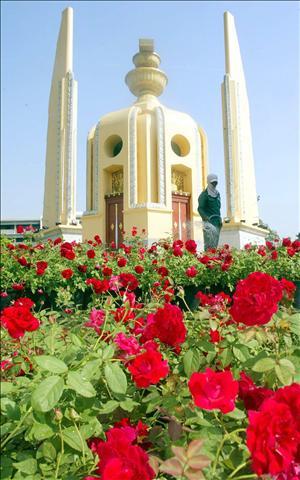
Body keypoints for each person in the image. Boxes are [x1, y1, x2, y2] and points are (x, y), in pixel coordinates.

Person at [198, 174, 222, 250]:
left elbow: (218, 208)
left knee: (215, 243)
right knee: (209, 243)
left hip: (217, 222)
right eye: (213, 183)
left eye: (216, 183)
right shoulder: (204, 195)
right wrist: (206, 218)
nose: (214, 184)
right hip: (209, 222)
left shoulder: (218, 194)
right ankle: (208, 259)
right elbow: (200, 209)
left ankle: (214, 259)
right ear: (208, 182)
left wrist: (220, 219)